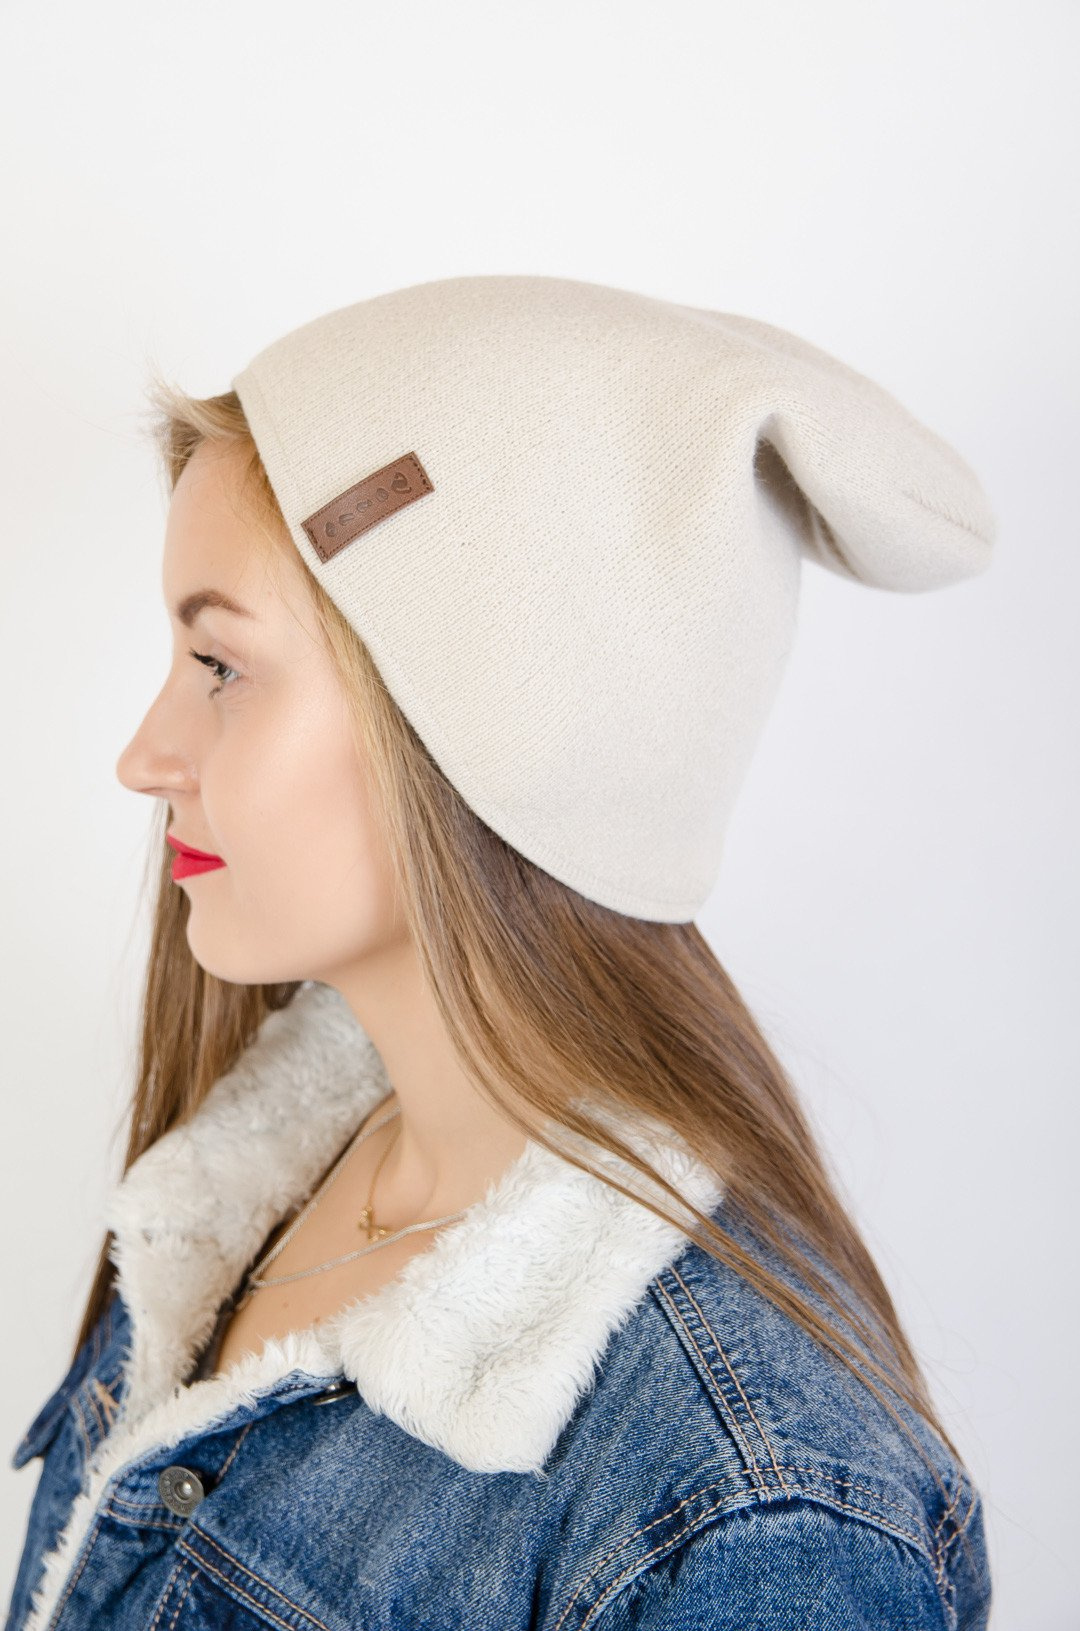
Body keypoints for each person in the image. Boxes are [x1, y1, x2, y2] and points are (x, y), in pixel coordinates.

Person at [6, 274, 996, 1629]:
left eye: (220, 666)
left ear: (482, 732)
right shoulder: (232, 1195)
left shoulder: (754, 1511)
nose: (145, 756)